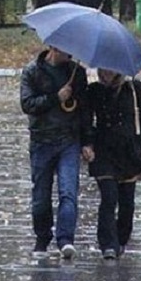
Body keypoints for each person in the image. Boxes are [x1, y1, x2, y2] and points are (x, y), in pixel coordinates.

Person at [20, 46, 89, 260]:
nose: (68, 54)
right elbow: (28, 104)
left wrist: (87, 141)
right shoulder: (32, 71)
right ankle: (42, 238)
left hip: (69, 140)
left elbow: (84, 109)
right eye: (63, 50)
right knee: (41, 194)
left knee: (68, 191)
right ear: (52, 48)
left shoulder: (76, 73)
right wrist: (55, 98)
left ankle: (66, 239)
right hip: (42, 141)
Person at [82, 69, 141, 260]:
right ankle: (107, 244)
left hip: (128, 152)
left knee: (127, 203)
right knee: (109, 197)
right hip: (104, 151)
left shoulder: (134, 88)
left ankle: (121, 240)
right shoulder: (94, 90)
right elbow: (87, 119)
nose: (107, 73)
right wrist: (87, 143)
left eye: (111, 69)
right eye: (103, 69)